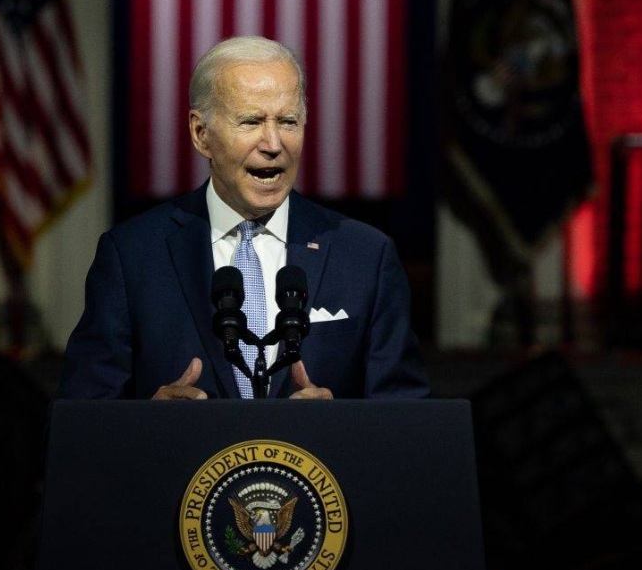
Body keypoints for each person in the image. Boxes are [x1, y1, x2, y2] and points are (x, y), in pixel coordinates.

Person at [57, 35, 430, 401]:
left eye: (287, 121)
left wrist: (335, 431)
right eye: (251, 122)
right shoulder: (131, 256)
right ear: (201, 134)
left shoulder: (366, 257)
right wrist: (150, 427)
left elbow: (408, 429)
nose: (272, 144)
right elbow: (79, 428)